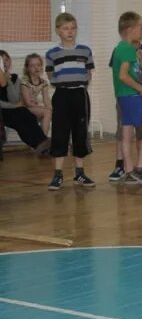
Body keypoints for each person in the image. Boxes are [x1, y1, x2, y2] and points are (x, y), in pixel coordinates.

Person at [45, 13, 95, 190]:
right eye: (66, 28)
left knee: (80, 134)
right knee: (60, 134)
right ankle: (58, 175)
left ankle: (79, 174)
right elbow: (51, 75)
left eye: (73, 28)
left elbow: (89, 73)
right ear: (58, 30)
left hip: (80, 96)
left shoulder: (85, 51)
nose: (70, 32)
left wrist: (79, 82)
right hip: (62, 97)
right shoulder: (52, 54)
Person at [111, 11, 142, 186]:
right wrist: (140, 88)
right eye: (141, 27)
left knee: (126, 136)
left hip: (124, 97)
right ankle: (139, 168)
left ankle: (129, 172)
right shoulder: (127, 49)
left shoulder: (120, 48)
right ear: (130, 29)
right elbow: (123, 76)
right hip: (131, 97)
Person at [0, 50, 50, 155]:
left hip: (14, 109)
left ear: (10, 61)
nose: (4, 63)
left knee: (26, 115)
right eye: (1, 60)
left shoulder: (14, 78)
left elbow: (13, 98)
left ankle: (41, 144)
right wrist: (13, 106)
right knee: (19, 118)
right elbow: (12, 103)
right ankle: (41, 144)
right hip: (3, 111)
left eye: (6, 59)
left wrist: (8, 79)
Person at [20, 53, 52, 135]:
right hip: (23, 107)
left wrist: (51, 109)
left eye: (38, 65)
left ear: (42, 66)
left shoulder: (43, 82)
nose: (36, 68)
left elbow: (46, 99)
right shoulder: (24, 81)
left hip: (34, 107)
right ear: (27, 68)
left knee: (49, 112)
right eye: (32, 66)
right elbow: (27, 102)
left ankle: (40, 141)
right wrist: (46, 109)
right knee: (47, 112)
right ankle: (43, 140)